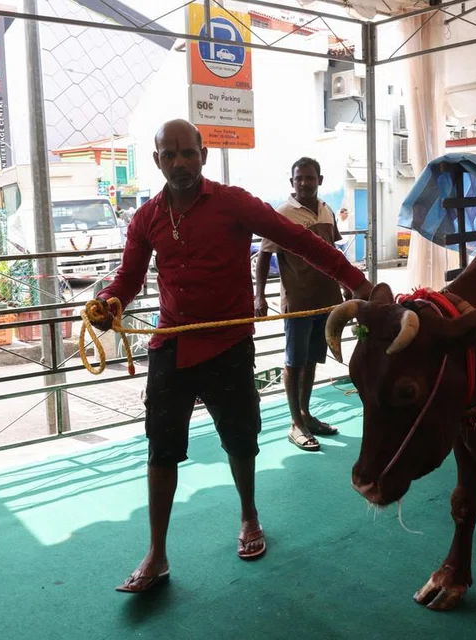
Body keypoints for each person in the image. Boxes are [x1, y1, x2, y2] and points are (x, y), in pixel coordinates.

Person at [88, 119, 373, 594]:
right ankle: (156, 553)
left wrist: (360, 284)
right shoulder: (146, 217)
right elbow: (129, 279)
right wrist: (108, 302)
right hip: (171, 344)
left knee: (241, 441)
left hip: (228, 345)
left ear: (202, 155)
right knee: (161, 449)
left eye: (188, 152)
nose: (180, 162)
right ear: (157, 161)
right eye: (169, 154)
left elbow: (302, 241)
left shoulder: (234, 202)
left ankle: (249, 516)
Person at [254, 158, 348, 452]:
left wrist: (347, 285)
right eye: (299, 178)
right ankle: (295, 423)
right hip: (298, 303)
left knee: (311, 360)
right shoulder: (281, 215)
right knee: (294, 362)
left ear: (320, 180)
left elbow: (334, 253)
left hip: (326, 301)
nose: (305, 183)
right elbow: (264, 256)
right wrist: (259, 295)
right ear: (292, 182)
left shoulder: (327, 211)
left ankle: (305, 414)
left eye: (310, 177)